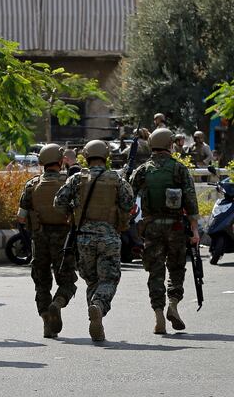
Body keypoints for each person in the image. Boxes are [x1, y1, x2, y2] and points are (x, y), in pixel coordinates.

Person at [54, 140, 135, 342]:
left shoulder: (76, 179)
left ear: (86, 156)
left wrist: (72, 215)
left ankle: (95, 312)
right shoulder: (116, 179)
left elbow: (59, 202)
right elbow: (128, 204)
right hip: (109, 236)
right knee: (108, 279)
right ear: (106, 156)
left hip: (83, 237)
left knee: (91, 280)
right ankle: (98, 306)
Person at [129, 128, 200, 334]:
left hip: (151, 227)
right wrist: (194, 230)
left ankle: (158, 313)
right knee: (176, 268)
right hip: (176, 227)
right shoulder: (178, 169)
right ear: (170, 145)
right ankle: (173, 304)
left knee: (155, 271)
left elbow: (128, 197)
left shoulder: (143, 170)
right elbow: (191, 201)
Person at [18, 144, 76, 338]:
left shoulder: (32, 185)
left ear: (41, 162)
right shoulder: (69, 183)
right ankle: (57, 303)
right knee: (67, 280)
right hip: (64, 241)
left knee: (41, 282)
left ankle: (46, 322)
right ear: (60, 162)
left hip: (39, 239)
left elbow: (21, 217)